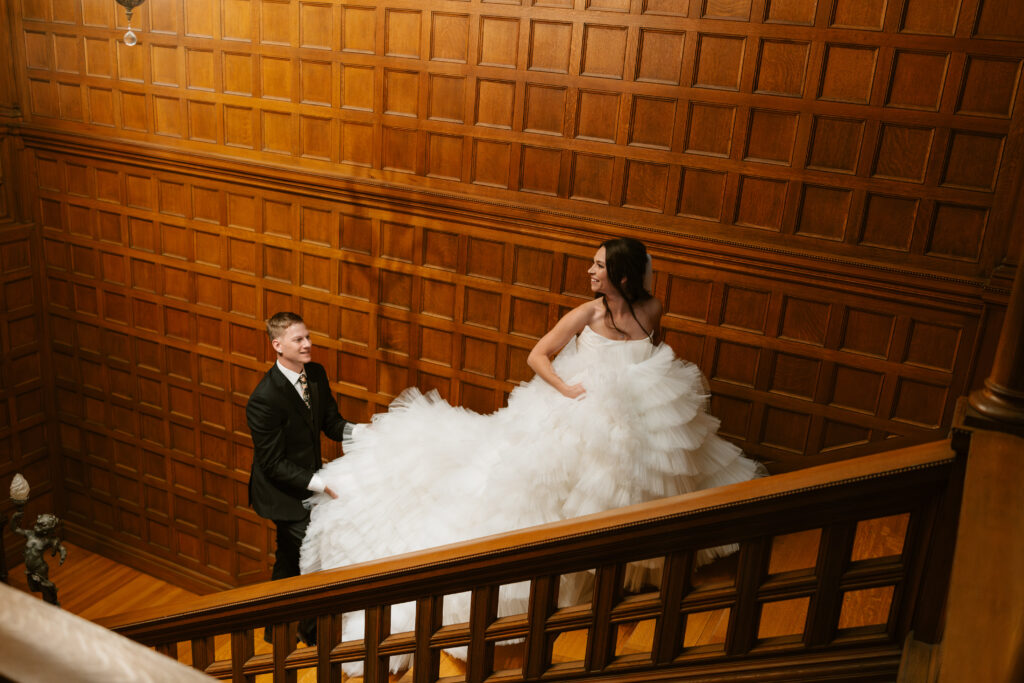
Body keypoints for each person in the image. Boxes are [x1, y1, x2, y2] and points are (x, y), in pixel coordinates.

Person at [299, 237, 766, 666]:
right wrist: (567, 388)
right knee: (552, 491)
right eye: (593, 264)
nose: (590, 272)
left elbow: (650, 350)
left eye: (599, 266)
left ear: (623, 275)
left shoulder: (652, 309)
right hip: (575, 412)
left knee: (641, 481)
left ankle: (622, 565)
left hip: (638, 414)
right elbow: (538, 356)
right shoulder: (587, 314)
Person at [246, 311, 352, 646]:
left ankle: (275, 631)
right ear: (277, 345)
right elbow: (274, 464)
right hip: (282, 492)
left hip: (308, 481)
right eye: (299, 340)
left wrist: (364, 433)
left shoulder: (316, 374)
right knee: (312, 554)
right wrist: (323, 485)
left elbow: (331, 423)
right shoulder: (264, 398)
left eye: (308, 337)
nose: (308, 344)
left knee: (290, 559)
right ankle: (310, 635)